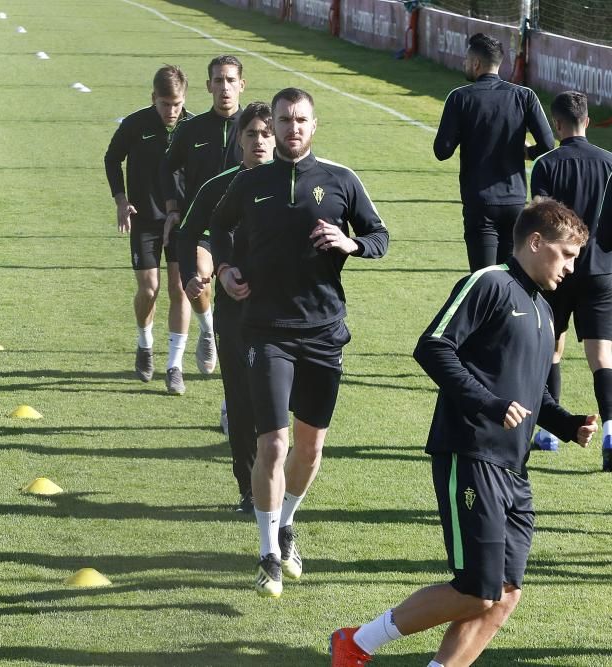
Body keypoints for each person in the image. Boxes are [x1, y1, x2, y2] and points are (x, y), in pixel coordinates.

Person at [330, 198, 597, 666]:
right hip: (471, 452)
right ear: (535, 242)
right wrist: (487, 404)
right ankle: (356, 643)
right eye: (567, 254)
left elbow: (531, 396)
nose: (571, 268)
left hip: (514, 470)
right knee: (477, 589)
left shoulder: (543, 309)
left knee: (506, 593)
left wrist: (567, 423)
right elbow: (433, 346)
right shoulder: (489, 283)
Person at [209, 87, 389, 597]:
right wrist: (224, 269)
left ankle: (286, 524)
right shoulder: (251, 183)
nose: (291, 128)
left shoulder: (340, 181)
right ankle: (267, 552)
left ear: (314, 126)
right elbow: (217, 228)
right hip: (266, 330)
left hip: (324, 332)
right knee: (275, 441)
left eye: (300, 120)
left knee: (309, 448)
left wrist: (351, 242)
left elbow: (380, 236)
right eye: (284, 119)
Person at [177, 101, 275, 513]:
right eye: (251, 134)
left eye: (266, 133)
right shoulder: (219, 187)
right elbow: (186, 236)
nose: (259, 141)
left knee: (274, 405)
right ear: (238, 139)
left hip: (282, 315)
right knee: (239, 400)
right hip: (235, 315)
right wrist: (190, 276)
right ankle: (249, 491)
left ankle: (277, 488)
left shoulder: (296, 185)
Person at [528, 92, 612, 467]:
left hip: (558, 269)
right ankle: (611, 432)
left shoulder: (546, 163)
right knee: (602, 357)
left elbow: (541, 222)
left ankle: (548, 433)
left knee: (552, 346)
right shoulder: (610, 162)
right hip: (601, 272)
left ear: (557, 124)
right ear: (588, 122)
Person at [159, 54, 246, 394]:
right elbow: (168, 167)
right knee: (197, 276)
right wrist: (173, 208)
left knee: (243, 316)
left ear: (241, 84)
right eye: (218, 80)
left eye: (230, 80)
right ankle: (207, 329)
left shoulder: (255, 129)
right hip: (205, 228)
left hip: (247, 229)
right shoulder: (191, 129)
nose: (224, 87)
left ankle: (235, 401)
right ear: (208, 85)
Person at [433, 32, 553, 272]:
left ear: (476, 63)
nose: (464, 64)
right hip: (515, 202)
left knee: (483, 278)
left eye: (466, 60)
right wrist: (528, 153)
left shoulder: (460, 98)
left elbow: (442, 151)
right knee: (511, 279)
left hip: (480, 204)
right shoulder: (524, 96)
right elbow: (548, 145)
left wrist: (467, 132)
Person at [103, 66, 191, 384]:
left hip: (181, 221)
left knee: (179, 289)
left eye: (177, 104)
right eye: (165, 103)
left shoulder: (192, 128)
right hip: (145, 220)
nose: (171, 111)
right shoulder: (135, 125)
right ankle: (145, 344)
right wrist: (121, 201)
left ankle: (174, 365)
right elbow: (112, 158)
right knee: (149, 289)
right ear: (153, 98)